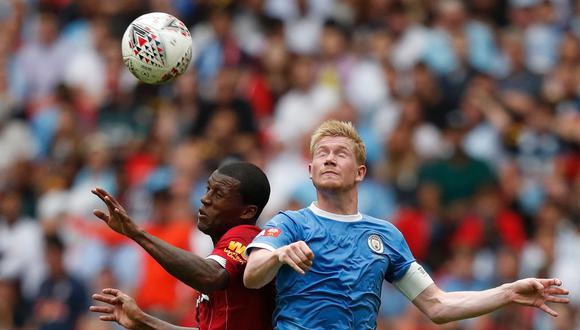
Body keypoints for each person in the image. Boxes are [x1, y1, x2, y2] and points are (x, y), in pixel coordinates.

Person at [243, 120, 570, 329]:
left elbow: (437, 305)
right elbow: (252, 275)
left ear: (360, 172)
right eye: (322, 154)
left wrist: (508, 292)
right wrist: (278, 255)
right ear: (310, 170)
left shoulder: (385, 236)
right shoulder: (290, 223)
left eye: (340, 153)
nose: (329, 158)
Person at [89, 161, 274, 330]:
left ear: (247, 212)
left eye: (218, 194)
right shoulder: (222, 255)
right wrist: (141, 320)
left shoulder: (247, 237)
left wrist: (137, 233)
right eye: (208, 189)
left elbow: (212, 276)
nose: (205, 199)